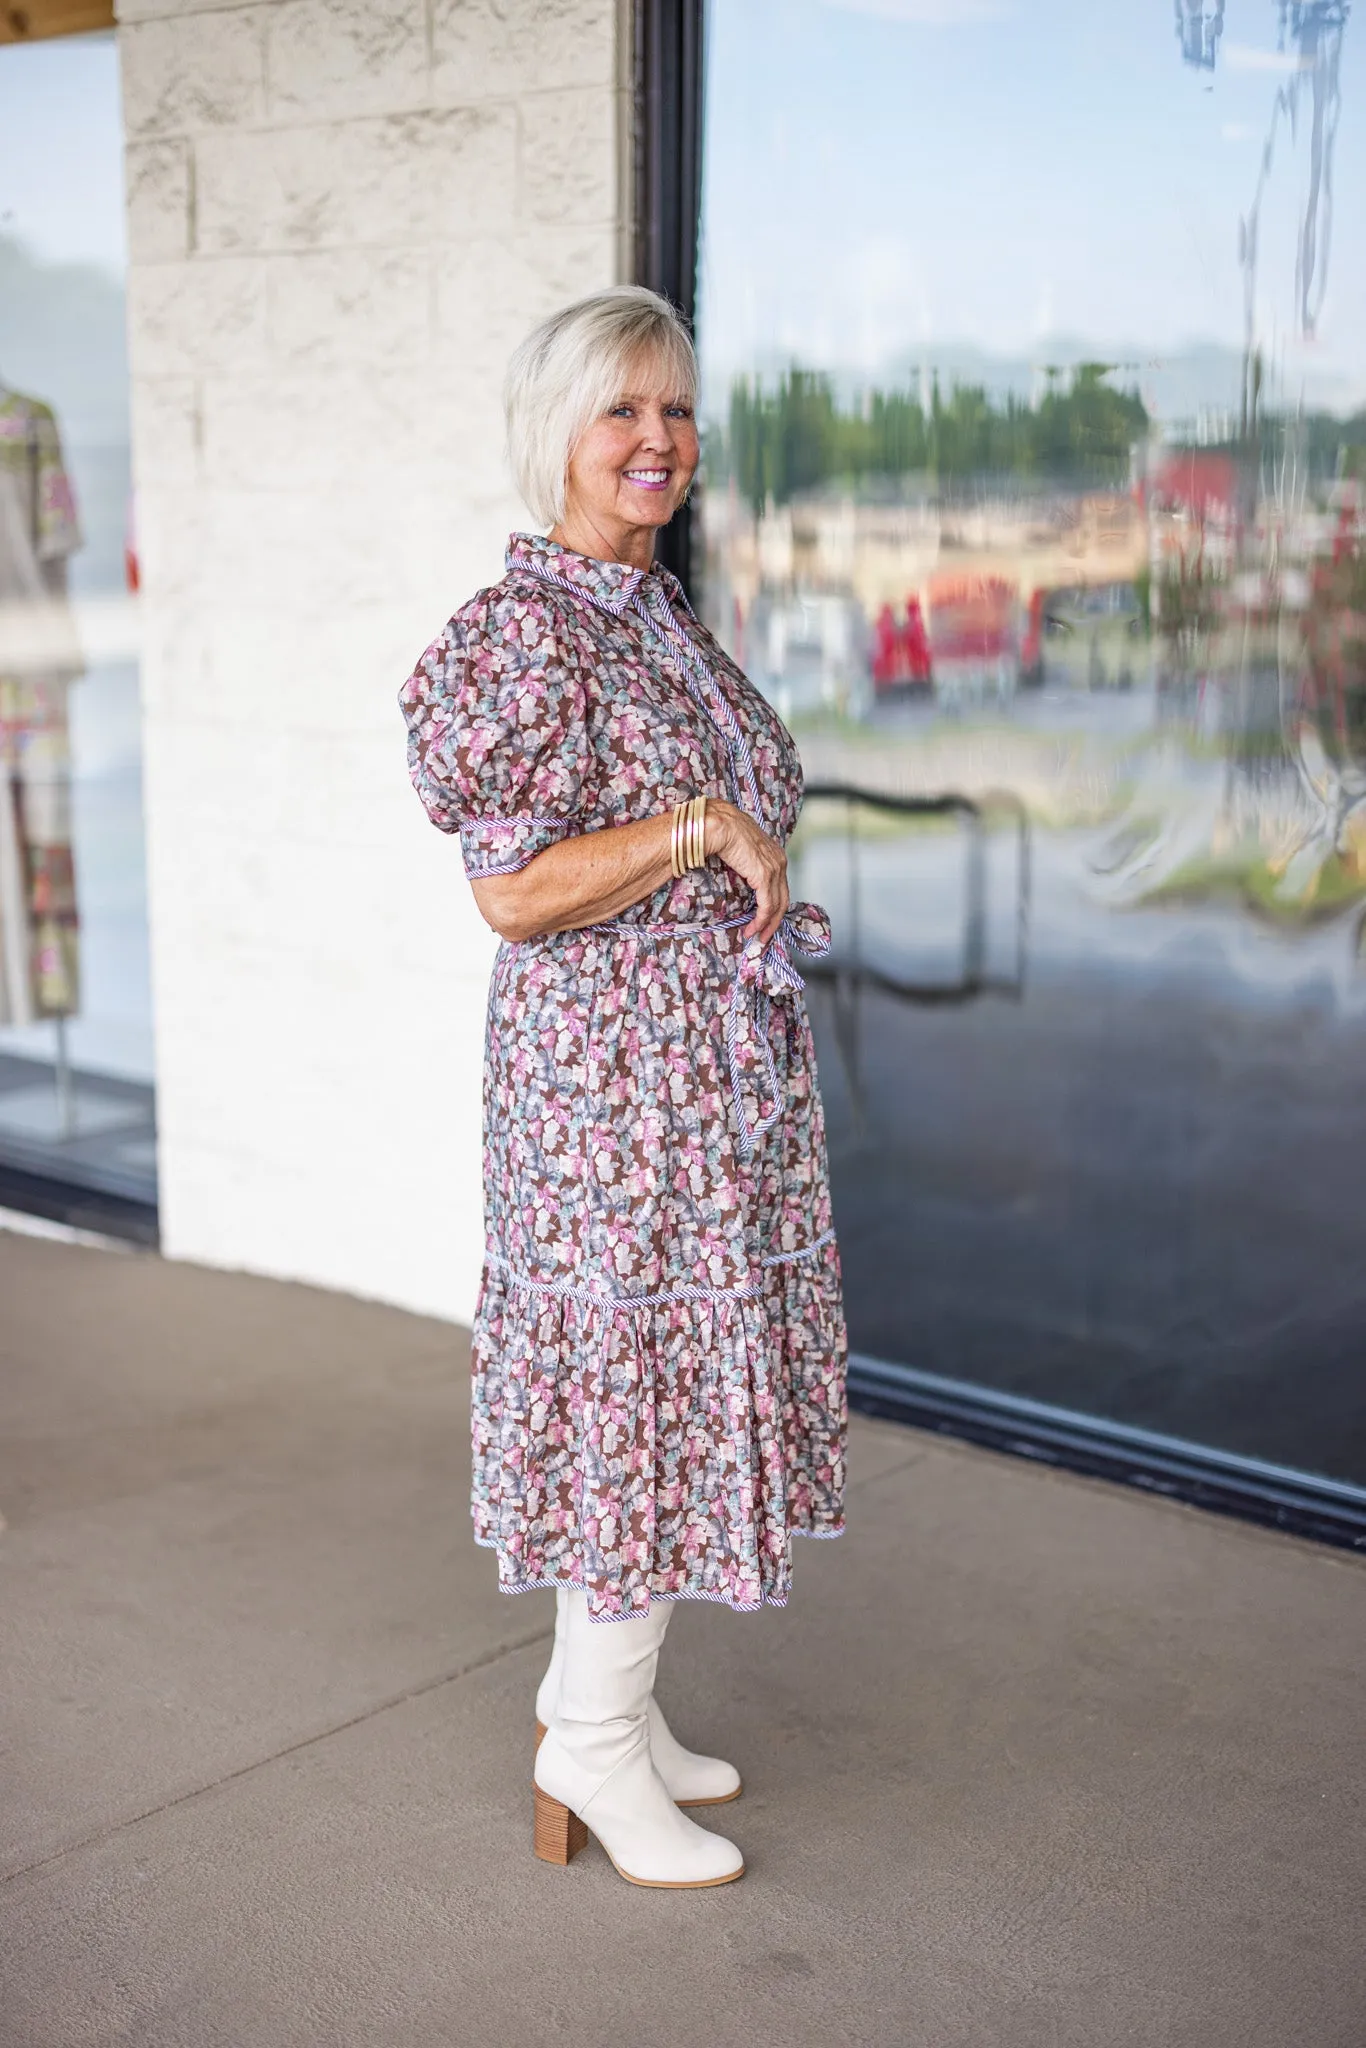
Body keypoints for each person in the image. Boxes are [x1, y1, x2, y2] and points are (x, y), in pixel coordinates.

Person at [399, 286, 847, 1890]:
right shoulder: (525, 633)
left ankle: (605, 1707)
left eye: (672, 410)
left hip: (699, 1086)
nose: (655, 440)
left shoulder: (645, 611)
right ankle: (587, 1753)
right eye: (619, 412)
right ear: (557, 440)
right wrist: (691, 833)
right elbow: (513, 896)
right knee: (634, 1401)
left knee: (661, 1382)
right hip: (612, 1100)